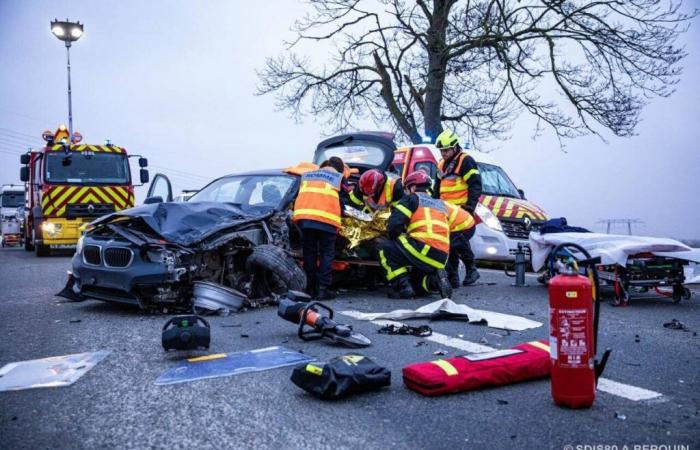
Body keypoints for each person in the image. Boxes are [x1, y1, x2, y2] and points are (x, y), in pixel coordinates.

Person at [378, 171, 451, 299]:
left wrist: (389, 237)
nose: (405, 192)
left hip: (422, 248)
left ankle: (403, 287)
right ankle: (434, 282)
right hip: (441, 257)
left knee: (383, 247)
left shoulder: (412, 198)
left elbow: (394, 226)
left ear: (412, 187)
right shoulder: (439, 204)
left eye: (406, 189)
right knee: (418, 284)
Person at [434, 129, 482, 285]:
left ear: (455, 147)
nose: (443, 153)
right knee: (450, 245)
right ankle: (453, 277)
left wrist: (469, 208)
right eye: (441, 150)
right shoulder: (441, 164)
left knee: (457, 242)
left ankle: (471, 269)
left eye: (446, 150)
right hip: (445, 212)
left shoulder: (465, 161)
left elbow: (475, 185)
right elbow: (437, 188)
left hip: (461, 211)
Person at [292, 156, 345, 300]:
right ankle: (323, 290)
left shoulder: (308, 175)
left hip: (306, 219)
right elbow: (343, 202)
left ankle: (309, 289)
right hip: (327, 220)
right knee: (326, 254)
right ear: (339, 169)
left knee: (309, 254)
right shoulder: (337, 177)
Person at [443, 201, 476, 288]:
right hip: (455, 223)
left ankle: (472, 270)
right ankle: (454, 278)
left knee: (456, 244)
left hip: (465, 224)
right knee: (450, 249)